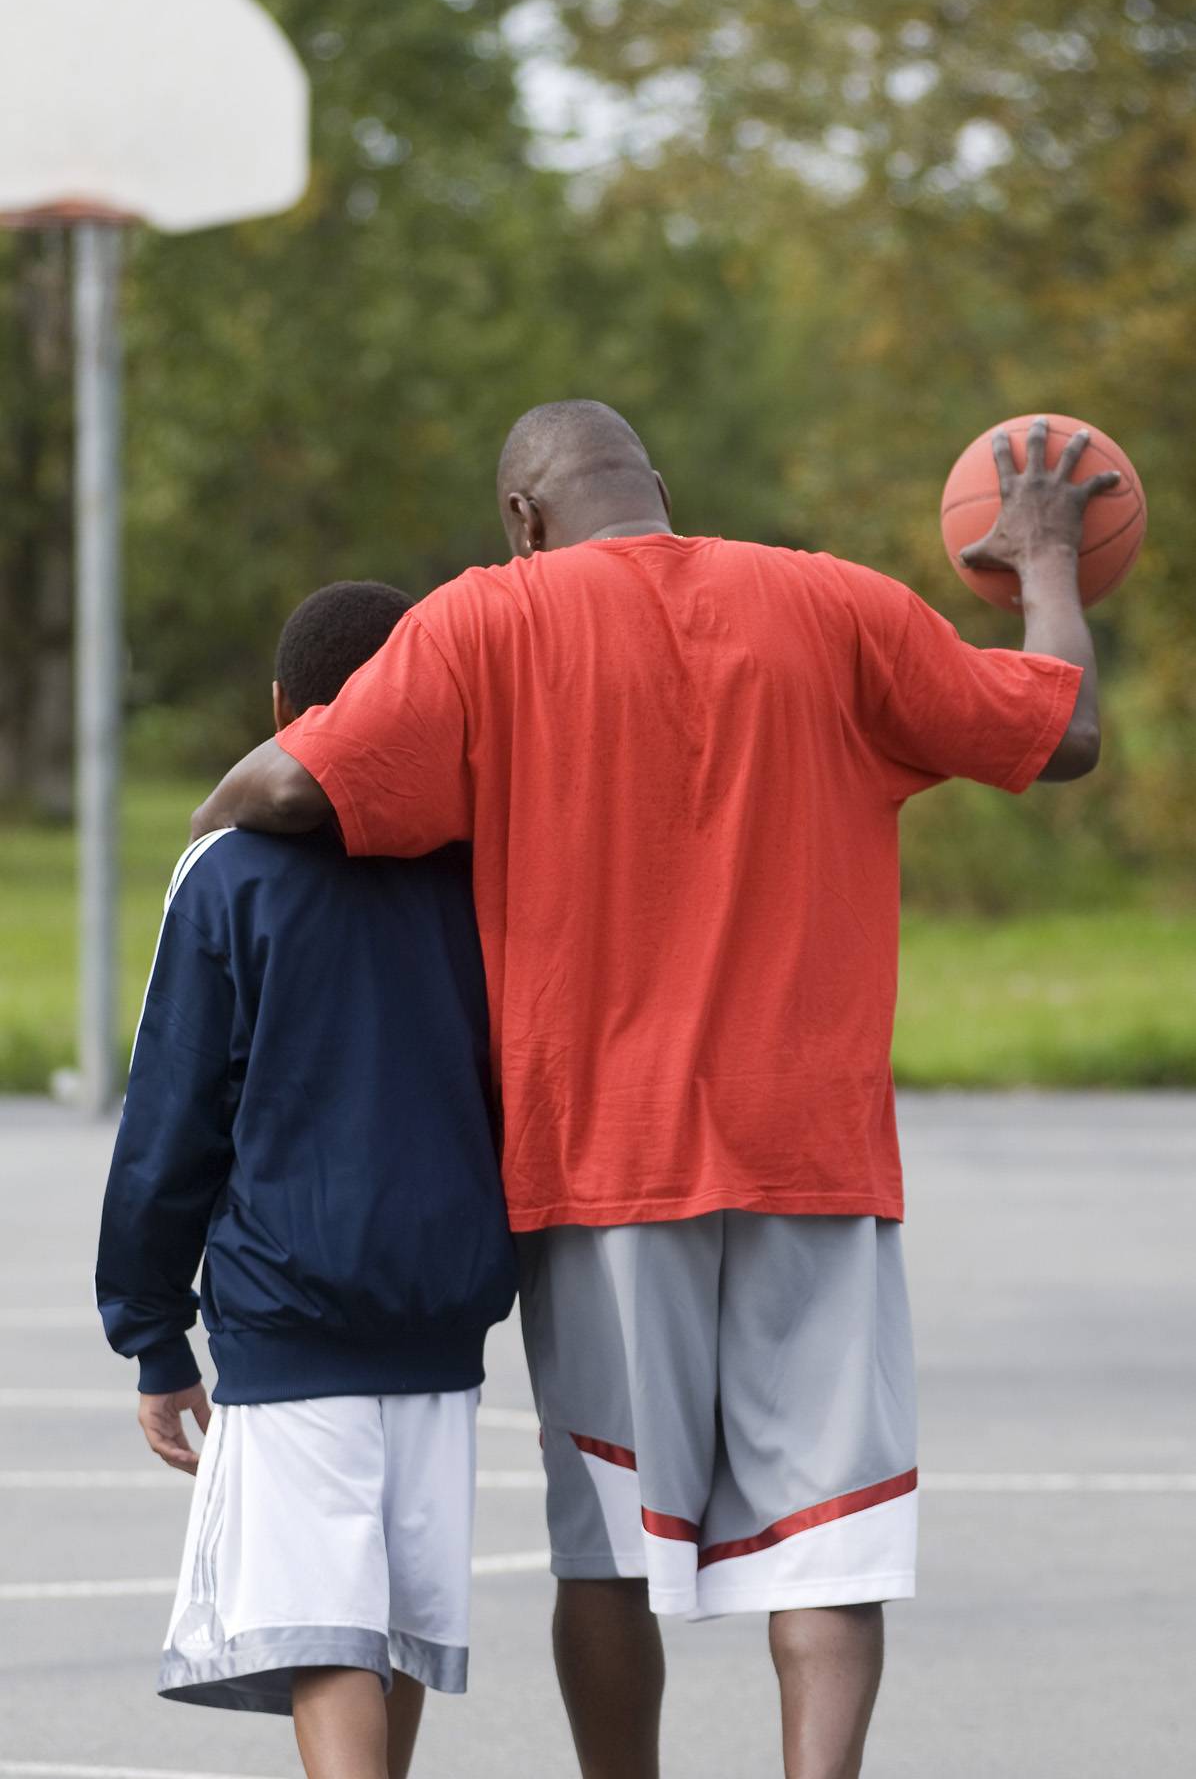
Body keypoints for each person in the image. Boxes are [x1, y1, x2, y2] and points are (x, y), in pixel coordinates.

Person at [190, 407, 1115, 1779]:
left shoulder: (485, 623)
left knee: (611, 1555)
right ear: (659, 494)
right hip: (814, 1153)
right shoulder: (836, 603)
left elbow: (281, 786)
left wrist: (212, 861)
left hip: (602, 1162)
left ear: (523, 516)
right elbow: (1070, 731)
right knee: (829, 1544)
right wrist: (1045, 559)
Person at [96, 581, 516, 1779]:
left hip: (296, 1300)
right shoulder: (478, 865)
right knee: (392, 1628)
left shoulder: (230, 871)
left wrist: (150, 1331)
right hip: (442, 1302)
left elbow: (172, 1113)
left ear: (283, 710)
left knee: (330, 1641)